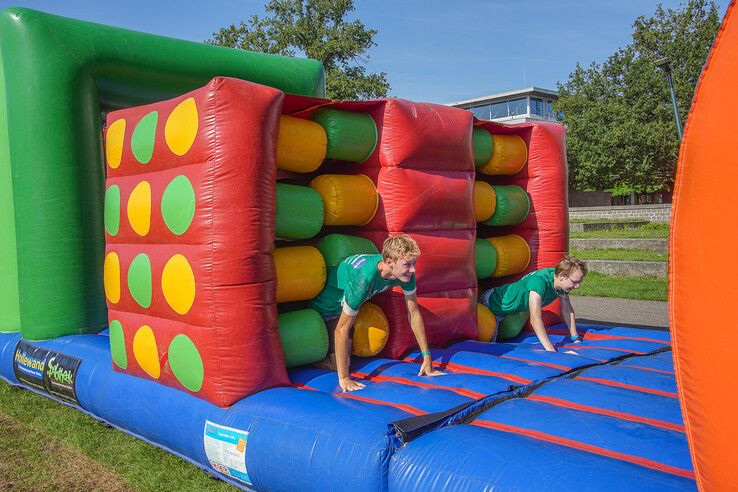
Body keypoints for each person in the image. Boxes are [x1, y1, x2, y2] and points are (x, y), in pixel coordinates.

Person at [311, 234, 443, 392]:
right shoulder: (363, 280)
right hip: (329, 307)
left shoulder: (405, 274)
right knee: (339, 365)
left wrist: (426, 356)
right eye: (408, 264)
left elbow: (413, 313)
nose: (413, 269)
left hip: (350, 305)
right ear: (389, 262)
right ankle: (308, 361)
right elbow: (341, 329)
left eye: (414, 263)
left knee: (346, 359)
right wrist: (344, 378)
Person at [480, 255, 587, 352]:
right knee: (491, 349)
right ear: (561, 276)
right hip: (492, 304)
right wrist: (551, 350)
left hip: (511, 310)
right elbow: (535, 320)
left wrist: (575, 338)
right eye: (575, 282)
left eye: (579, 282)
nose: (577, 286)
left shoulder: (561, 284)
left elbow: (567, 310)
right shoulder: (539, 283)